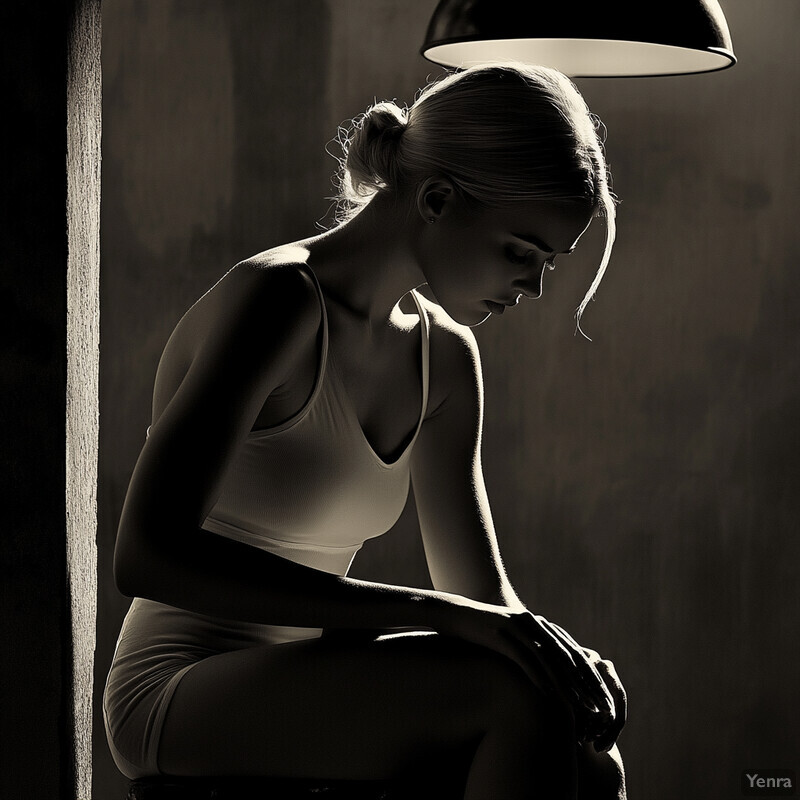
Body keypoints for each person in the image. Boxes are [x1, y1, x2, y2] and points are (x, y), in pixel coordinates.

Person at [103, 62, 627, 799]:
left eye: (549, 262)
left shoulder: (443, 358)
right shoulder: (281, 300)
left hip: (312, 676)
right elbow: (148, 554)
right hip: (177, 686)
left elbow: (479, 595)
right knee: (513, 703)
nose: (535, 287)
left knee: (591, 757)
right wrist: (428, 612)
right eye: (522, 251)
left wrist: (556, 652)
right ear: (438, 199)